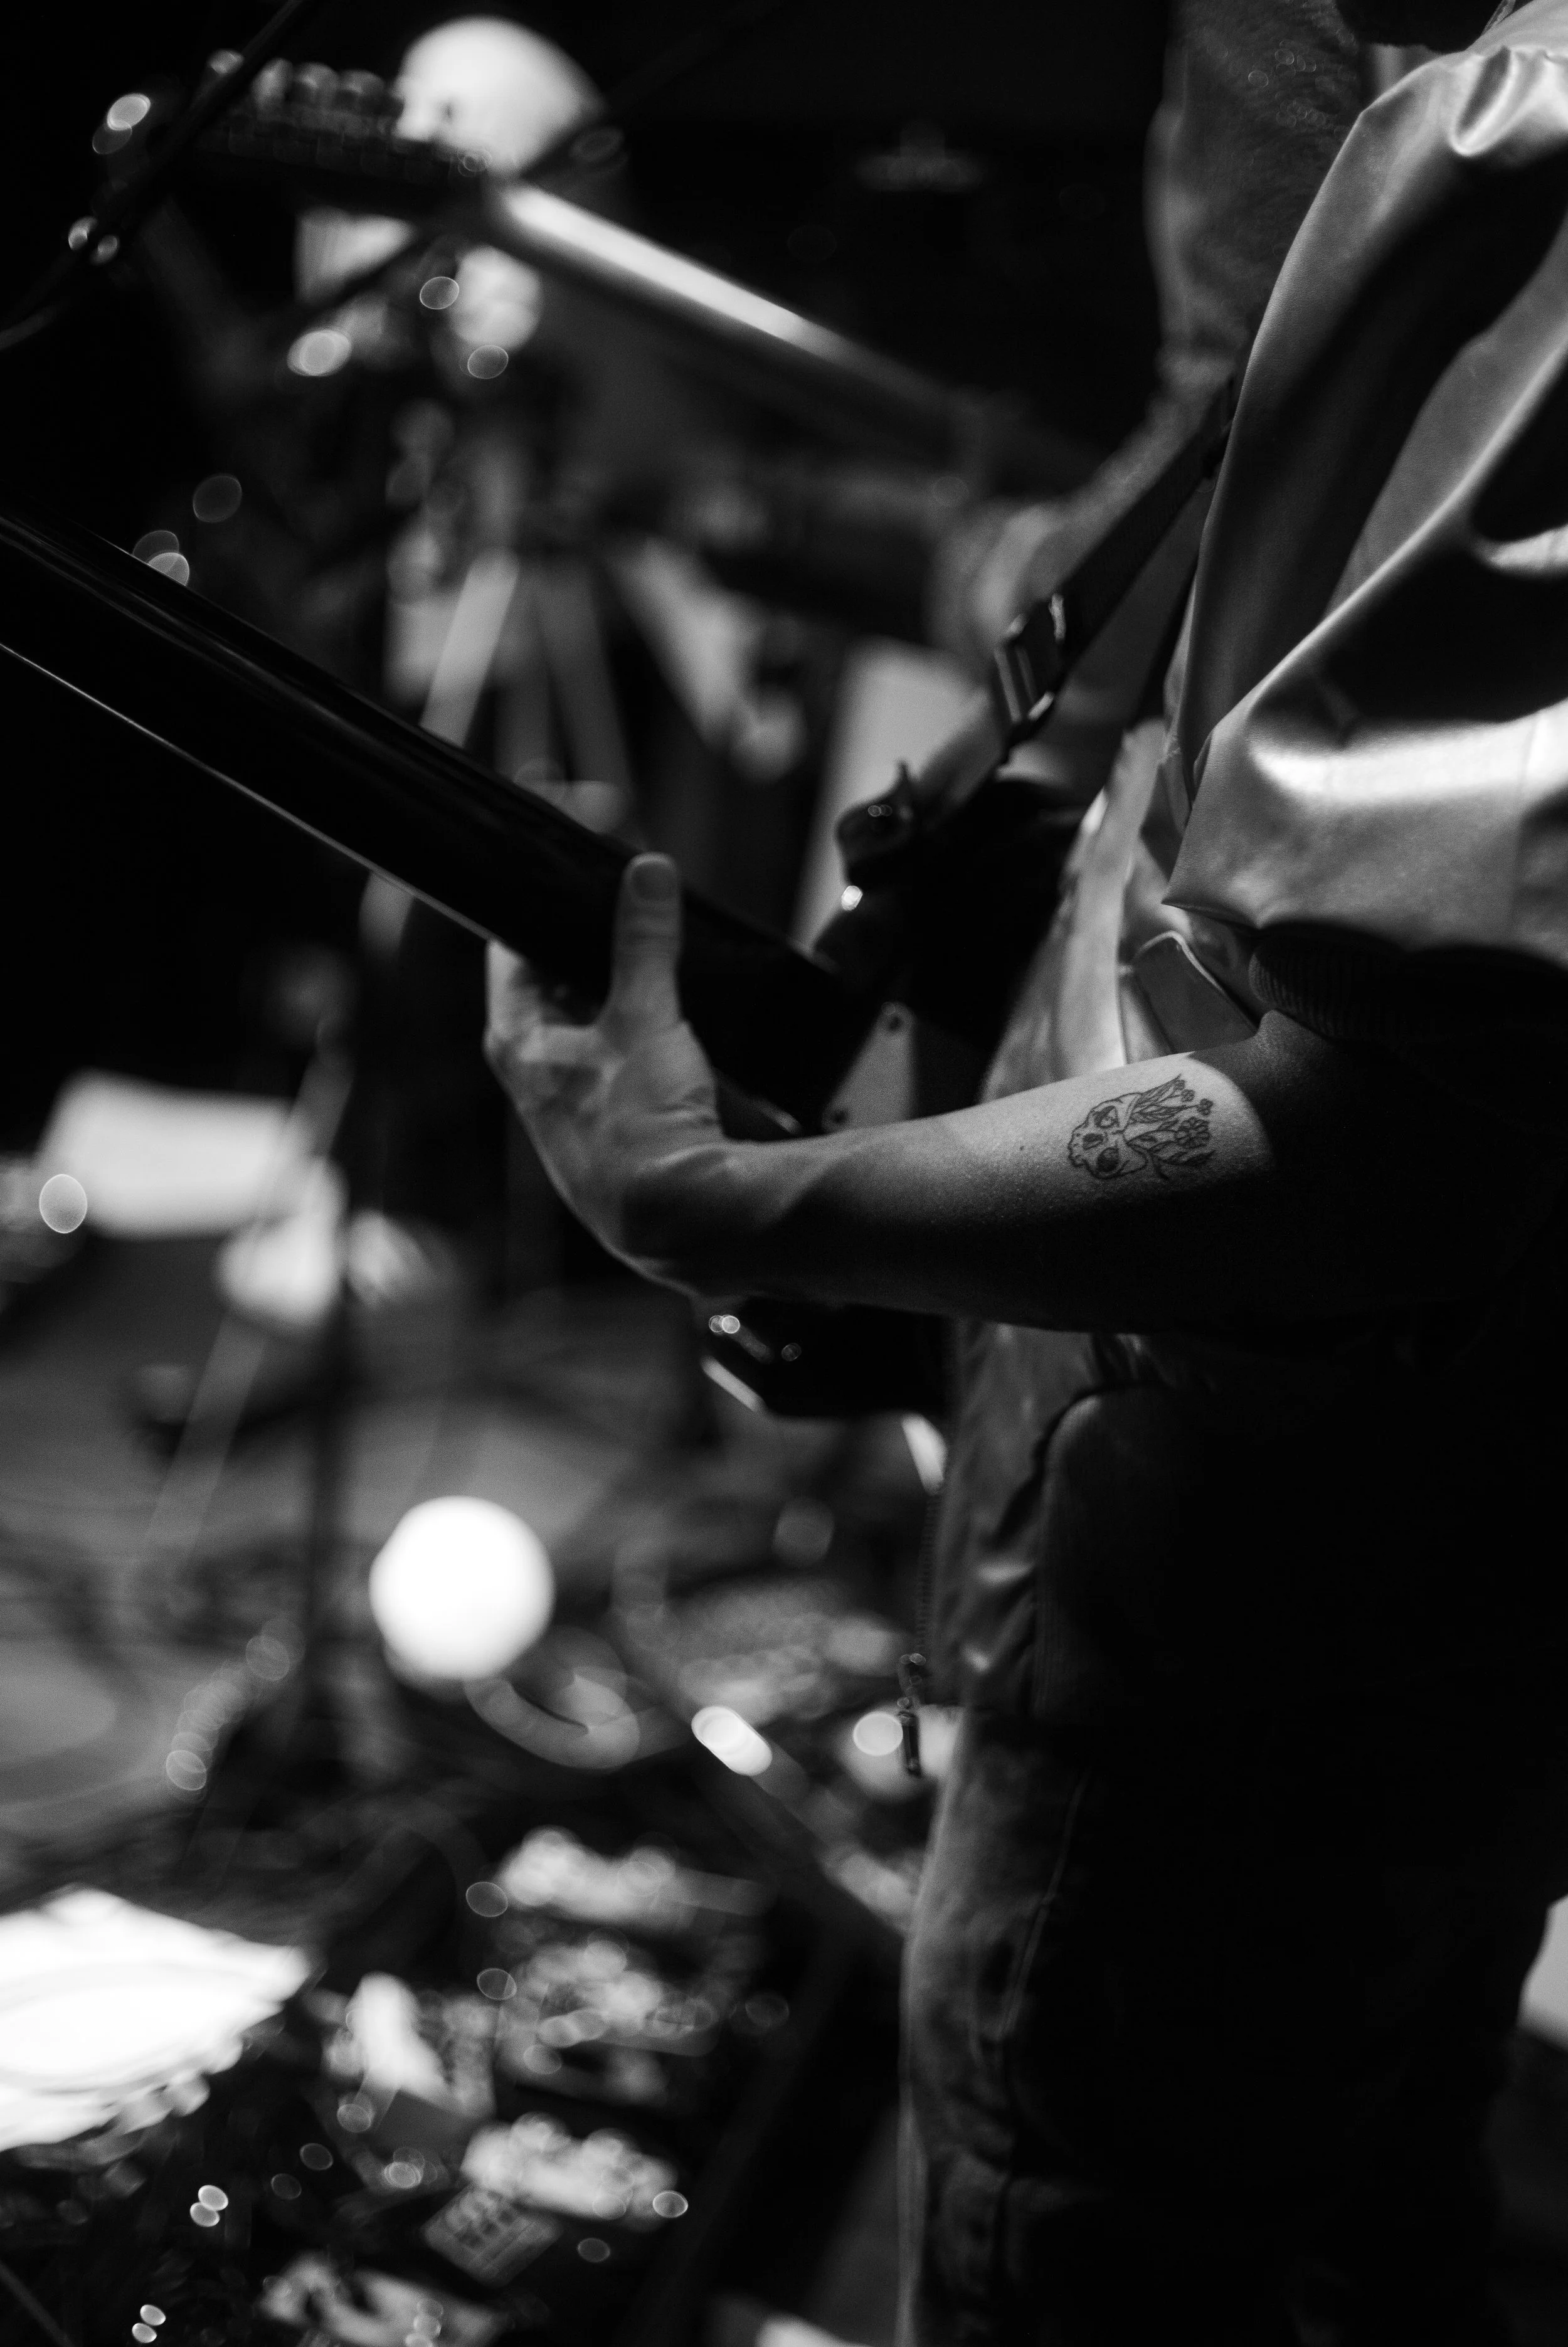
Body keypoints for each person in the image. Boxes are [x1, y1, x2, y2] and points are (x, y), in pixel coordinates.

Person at [485, 0, 1568, 2336]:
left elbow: (1377, 1148)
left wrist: (714, 1197)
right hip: (1436, 1547)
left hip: (1249, 1595)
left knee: (1092, 2245)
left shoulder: (1532, 146)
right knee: (1369, 2205)